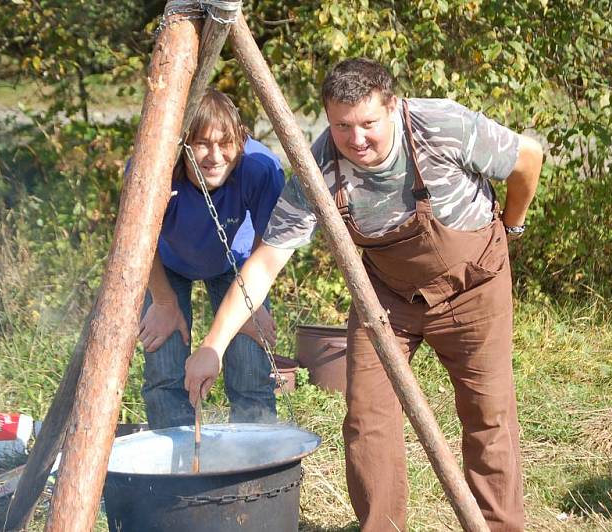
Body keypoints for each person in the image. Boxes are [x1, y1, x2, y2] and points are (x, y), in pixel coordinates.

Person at [185, 59, 543, 531]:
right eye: (342, 126)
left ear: (392, 106)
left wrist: (512, 223)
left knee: (488, 416)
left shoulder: (441, 127)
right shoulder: (320, 169)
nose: (356, 140)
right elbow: (266, 261)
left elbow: (528, 157)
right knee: (367, 420)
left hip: (474, 287)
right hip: (387, 302)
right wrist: (213, 345)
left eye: (369, 124)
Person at [138, 88, 285, 430]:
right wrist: (162, 301)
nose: (215, 156)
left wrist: (252, 306)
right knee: (164, 363)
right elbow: (136, 245)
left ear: (242, 141)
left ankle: (256, 457)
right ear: (183, 144)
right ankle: (177, 464)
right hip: (167, 263)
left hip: (238, 264)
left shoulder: (260, 169)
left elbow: (270, 248)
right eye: (202, 143)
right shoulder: (155, 168)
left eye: (226, 143)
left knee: (250, 365)